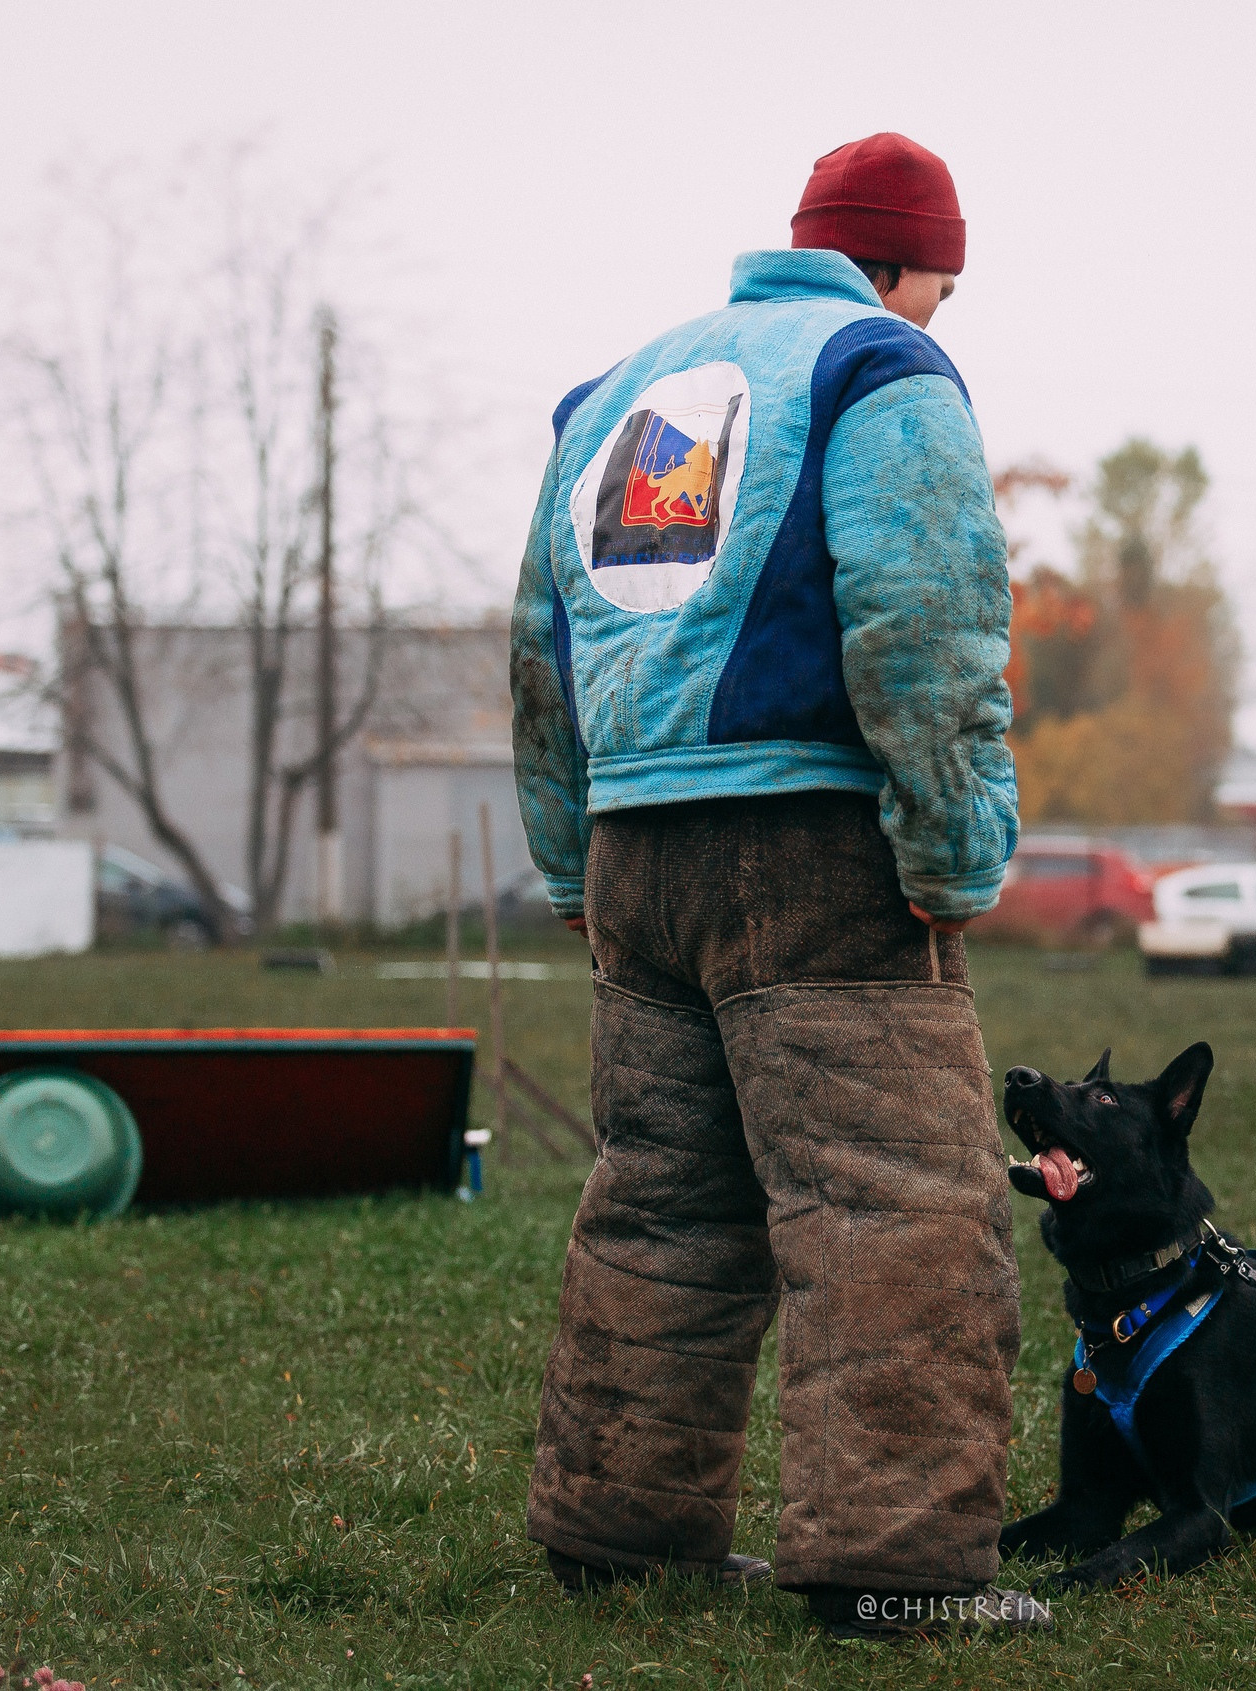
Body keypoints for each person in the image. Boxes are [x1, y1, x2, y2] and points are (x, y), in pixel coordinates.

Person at [511, 132, 1043, 1640]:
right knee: (896, 1212)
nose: (941, 312)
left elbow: (542, 654)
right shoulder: (878, 370)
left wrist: (572, 860)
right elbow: (925, 620)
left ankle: (622, 1532)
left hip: (634, 858)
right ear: (901, 261)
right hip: (815, 852)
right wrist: (954, 847)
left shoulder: (609, 397)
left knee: (660, 1208)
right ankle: (893, 1568)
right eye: (943, 283)